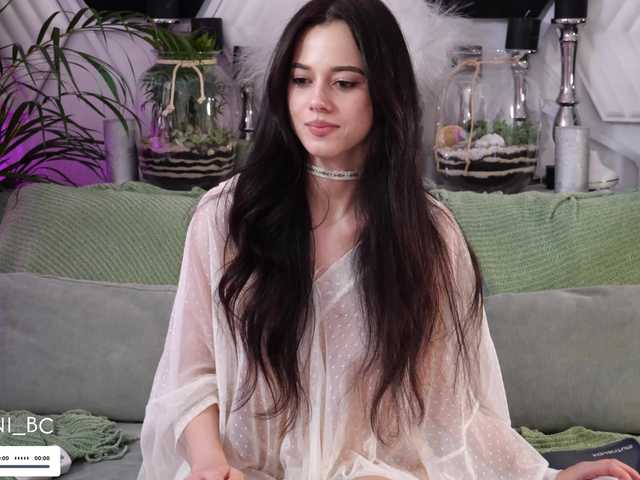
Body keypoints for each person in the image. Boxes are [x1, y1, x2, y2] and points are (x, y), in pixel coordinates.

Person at [137, 1, 640, 479]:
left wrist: (547, 475)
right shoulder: (227, 218)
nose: (317, 101)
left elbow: (452, 413)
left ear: (385, 92)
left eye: (344, 83)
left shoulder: (428, 235)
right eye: (301, 79)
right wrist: (209, 464)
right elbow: (190, 377)